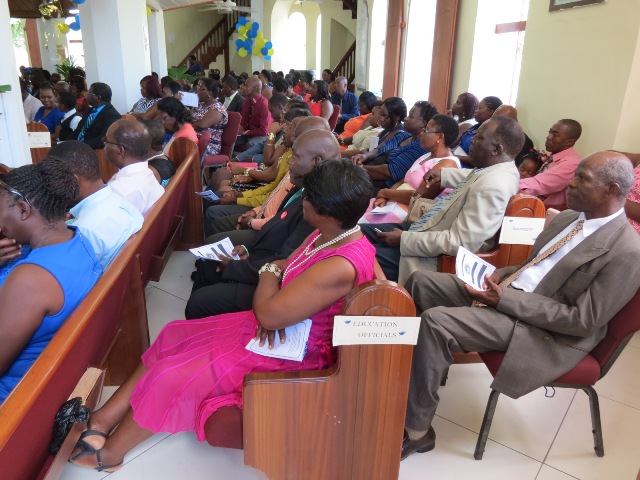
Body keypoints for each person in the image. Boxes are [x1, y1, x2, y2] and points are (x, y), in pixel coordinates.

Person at [68, 159, 375, 473]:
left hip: (297, 350)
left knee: (174, 374)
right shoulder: (330, 233)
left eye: (308, 197)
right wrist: (276, 287)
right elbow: (285, 265)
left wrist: (271, 280)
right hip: (285, 325)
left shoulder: (340, 263)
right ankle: (103, 418)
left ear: (324, 210)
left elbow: (270, 307)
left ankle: (114, 454)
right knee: (174, 333)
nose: (303, 200)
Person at [401, 151, 640, 459]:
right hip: (511, 295)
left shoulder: (626, 252)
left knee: (436, 322)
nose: (571, 183)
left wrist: (507, 299)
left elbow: (582, 321)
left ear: (611, 191)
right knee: (421, 281)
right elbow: (533, 266)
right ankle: (415, 373)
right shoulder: (569, 218)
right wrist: (494, 276)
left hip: (545, 330)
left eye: (583, 179)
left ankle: (417, 431)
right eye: (575, 174)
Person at [188, 127, 341, 318]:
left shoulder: (319, 205)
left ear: (316, 161)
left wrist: (236, 267)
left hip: (273, 284)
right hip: (262, 260)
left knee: (199, 302)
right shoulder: (304, 187)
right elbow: (276, 225)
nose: (289, 161)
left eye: (295, 156)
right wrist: (247, 248)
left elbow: (285, 262)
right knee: (207, 263)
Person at [361, 116, 523, 283]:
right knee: (359, 231)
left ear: (496, 149)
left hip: (431, 259)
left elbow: (459, 242)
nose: (472, 140)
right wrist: (443, 174)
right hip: (427, 230)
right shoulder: (498, 170)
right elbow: (473, 177)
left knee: (361, 253)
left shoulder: (493, 186)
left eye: (479, 137)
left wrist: (403, 239)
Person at [0, 159, 102, 403]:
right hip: (49, 379)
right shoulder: (78, 239)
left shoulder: (31, 279)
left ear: (23, 210)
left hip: (15, 400)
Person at [44, 142, 143, 270]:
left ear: (72, 180)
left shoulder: (83, 231)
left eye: (53, 179)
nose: (51, 187)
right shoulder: (119, 201)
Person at [363, 113, 460, 222]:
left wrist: (385, 193)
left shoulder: (448, 164)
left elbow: (419, 196)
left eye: (426, 131)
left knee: (361, 224)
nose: (422, 134)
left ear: (440, 137)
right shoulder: (427, 155)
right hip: (393, 202)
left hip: (412, 212)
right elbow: (402, 181)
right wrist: (383, 197)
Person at [353, 101, 438, 194]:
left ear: (422, 123)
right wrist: (364, 156)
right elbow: (379, 149)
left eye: (411, 116)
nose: (405, 118)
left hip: (377, 184)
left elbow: (389, 172)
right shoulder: (403, 135)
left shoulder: (421, 147)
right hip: (366, 172)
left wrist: (359, 169)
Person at [104, 119, 164, 215]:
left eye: (106, 141)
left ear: (120, 150)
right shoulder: (147, 173)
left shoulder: (117, 192)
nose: (104, 146)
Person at [519, 119, 582, 207]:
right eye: (550, 132)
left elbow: (538, 185)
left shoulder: (571, 163)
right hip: (532, 205)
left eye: (555, 135)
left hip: (547, 212)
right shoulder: (552, 156)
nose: (548, 137)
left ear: (569, 142)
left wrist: (508, 185)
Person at [453, 96, 503, 167]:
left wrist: (455, 157)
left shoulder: (491, 134)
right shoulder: (473, 127)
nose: (476, 111)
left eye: (479, 108)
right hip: (455, 161)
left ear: (490, 111)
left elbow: (482, 158)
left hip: (467, 169)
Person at [72, 82, 122, 150]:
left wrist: (81, 146)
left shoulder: (112, 115)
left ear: (98, 97)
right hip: (76, 147)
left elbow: (103, 139)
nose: (86, 95)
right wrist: (67, 143)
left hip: (91, 150)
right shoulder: (89, 111)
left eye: (89, 93)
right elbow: (78, 130)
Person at [192, 78, 229, 157]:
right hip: (193, 139)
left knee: (183, 148)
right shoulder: (199, 105)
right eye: (198, 88)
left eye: (202, 89)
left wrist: (186, 125)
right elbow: (186, 118)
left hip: (209, 145)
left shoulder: (217, 108)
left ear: (210, 93)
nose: (198, 91)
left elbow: (201, 125)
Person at [235, 76, 272, 153]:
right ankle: (230, 162)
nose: (243, 87)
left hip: (262, 135)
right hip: (250, 133)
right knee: (232, 140)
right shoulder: (246, 102)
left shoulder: (264, 104)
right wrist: (241, 127)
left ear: (256, 89)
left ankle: (243, 164)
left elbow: (264, 131)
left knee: (250, 144)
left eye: (246, 85)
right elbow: (243, 122)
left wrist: (246, 132)